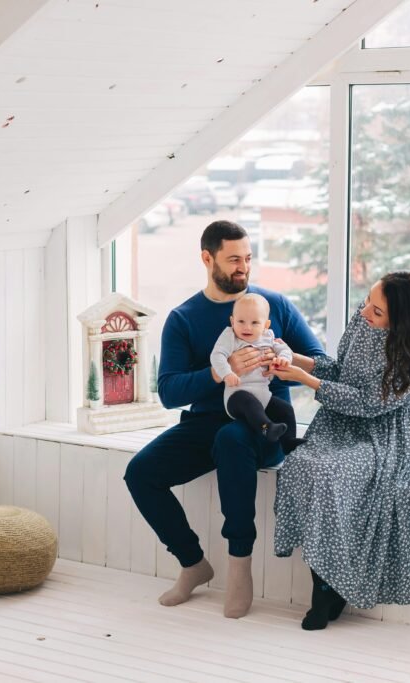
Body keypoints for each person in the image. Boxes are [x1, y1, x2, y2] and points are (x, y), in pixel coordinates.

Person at [124, 220, 325, 619]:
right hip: (205, 423)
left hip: (263, 423)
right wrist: (219, 370)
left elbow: (320, 362)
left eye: (248, 258)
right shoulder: (184, 318)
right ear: (207, 258)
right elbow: (169, 392)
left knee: (233, 440)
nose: (243, 268)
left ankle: (239, 567)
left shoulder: (274, 307)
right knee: (140, 473)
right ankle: (193, 563)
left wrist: (284, 364)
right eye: (234, 259)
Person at [271, 271, 410, 630]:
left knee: (329, 473)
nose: (366, 312)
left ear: (402, 322)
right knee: (300, 464)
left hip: (387, 434)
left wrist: (305, 380)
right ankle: (327, 582)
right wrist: (296, 359)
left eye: (377, 311)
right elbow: (342, 371)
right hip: (344, 418)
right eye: (368, 301)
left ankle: (324, 593)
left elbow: (369, 402)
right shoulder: (365, 318)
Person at [209, 293, 306, 454]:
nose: (247, 327)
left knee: (285, 409)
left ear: (266, 325)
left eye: (254, 323)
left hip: (264, 396)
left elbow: (284, 349)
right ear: (232, 321)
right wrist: (227, 373)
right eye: (241, 321)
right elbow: (216, 355)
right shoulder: (230, 336)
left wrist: (283, 359)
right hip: (236, 396)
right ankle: (266, 428)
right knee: (248, 402)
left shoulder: (268, 336)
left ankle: (288, 442)